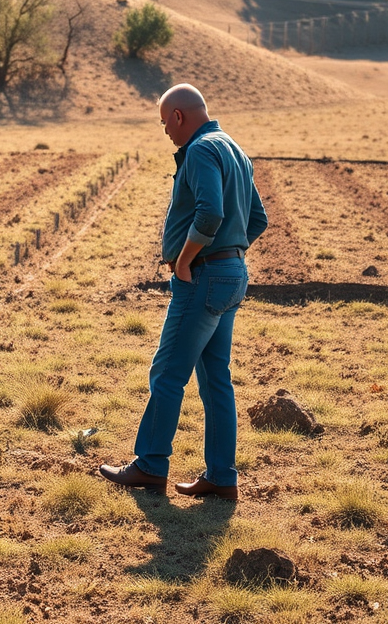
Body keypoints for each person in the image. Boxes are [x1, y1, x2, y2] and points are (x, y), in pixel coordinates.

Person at [99, 83, 268, 502]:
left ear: (178, 116)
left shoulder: (200, 150)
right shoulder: (234, 148)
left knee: (168, 372)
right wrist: (232, 251)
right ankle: (221, 477)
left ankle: (150, 465)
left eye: (164, 124)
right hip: (231, 273)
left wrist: (187, 259)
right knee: (216, 379)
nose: (166, 134)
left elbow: (210, 212)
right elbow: (258, 219)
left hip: (205, 276)